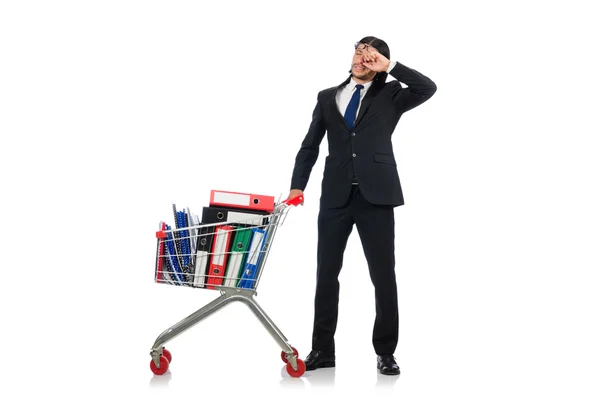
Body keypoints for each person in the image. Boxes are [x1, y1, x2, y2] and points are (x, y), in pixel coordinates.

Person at [287, 36, 437, 376]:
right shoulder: (328, 97)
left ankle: (386, 352)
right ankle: (322, 351)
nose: (362, 58)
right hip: (336, 197)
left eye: (371, 55)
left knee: (383, 276)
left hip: (377, 196)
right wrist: (298, 185)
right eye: (358, 51)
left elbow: (428, 87)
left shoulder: (393, 94)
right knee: (326, 274)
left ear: (380, 61)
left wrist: (391, 67)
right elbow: (310, 145)